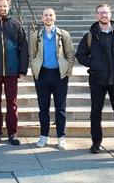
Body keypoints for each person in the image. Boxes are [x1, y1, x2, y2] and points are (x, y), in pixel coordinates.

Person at [75, 4, 114, 155]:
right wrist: (94, 65)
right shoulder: (90, 36)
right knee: (96, 112)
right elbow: (80, 55)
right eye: (100, 13)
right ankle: (96, 142)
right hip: (98, 79)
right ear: (96, 15)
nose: (103, 15)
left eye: (105, 12)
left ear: (110, 14)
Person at [0, 0, 28, 145]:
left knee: (12, 102)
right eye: (0, 6)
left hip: (11, 71)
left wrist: (22, 69)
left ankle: (12, 133)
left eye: (5, 6)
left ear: (9, 7)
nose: (2, 8)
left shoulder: (16, 24)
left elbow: (23, 48)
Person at [29, 8, 75, 150]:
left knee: (60, 108)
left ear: (55, 17)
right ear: (42, 18)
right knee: (43, 107)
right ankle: (44, 136)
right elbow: (32, 54)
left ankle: (61, 136)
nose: (48, 18)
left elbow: (70, 54)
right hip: (42, 75)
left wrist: (67, 70)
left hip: (59, 75)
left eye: (50, 15)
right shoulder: (36, 35)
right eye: (45, 16)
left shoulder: (63, 35)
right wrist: (35, 69)